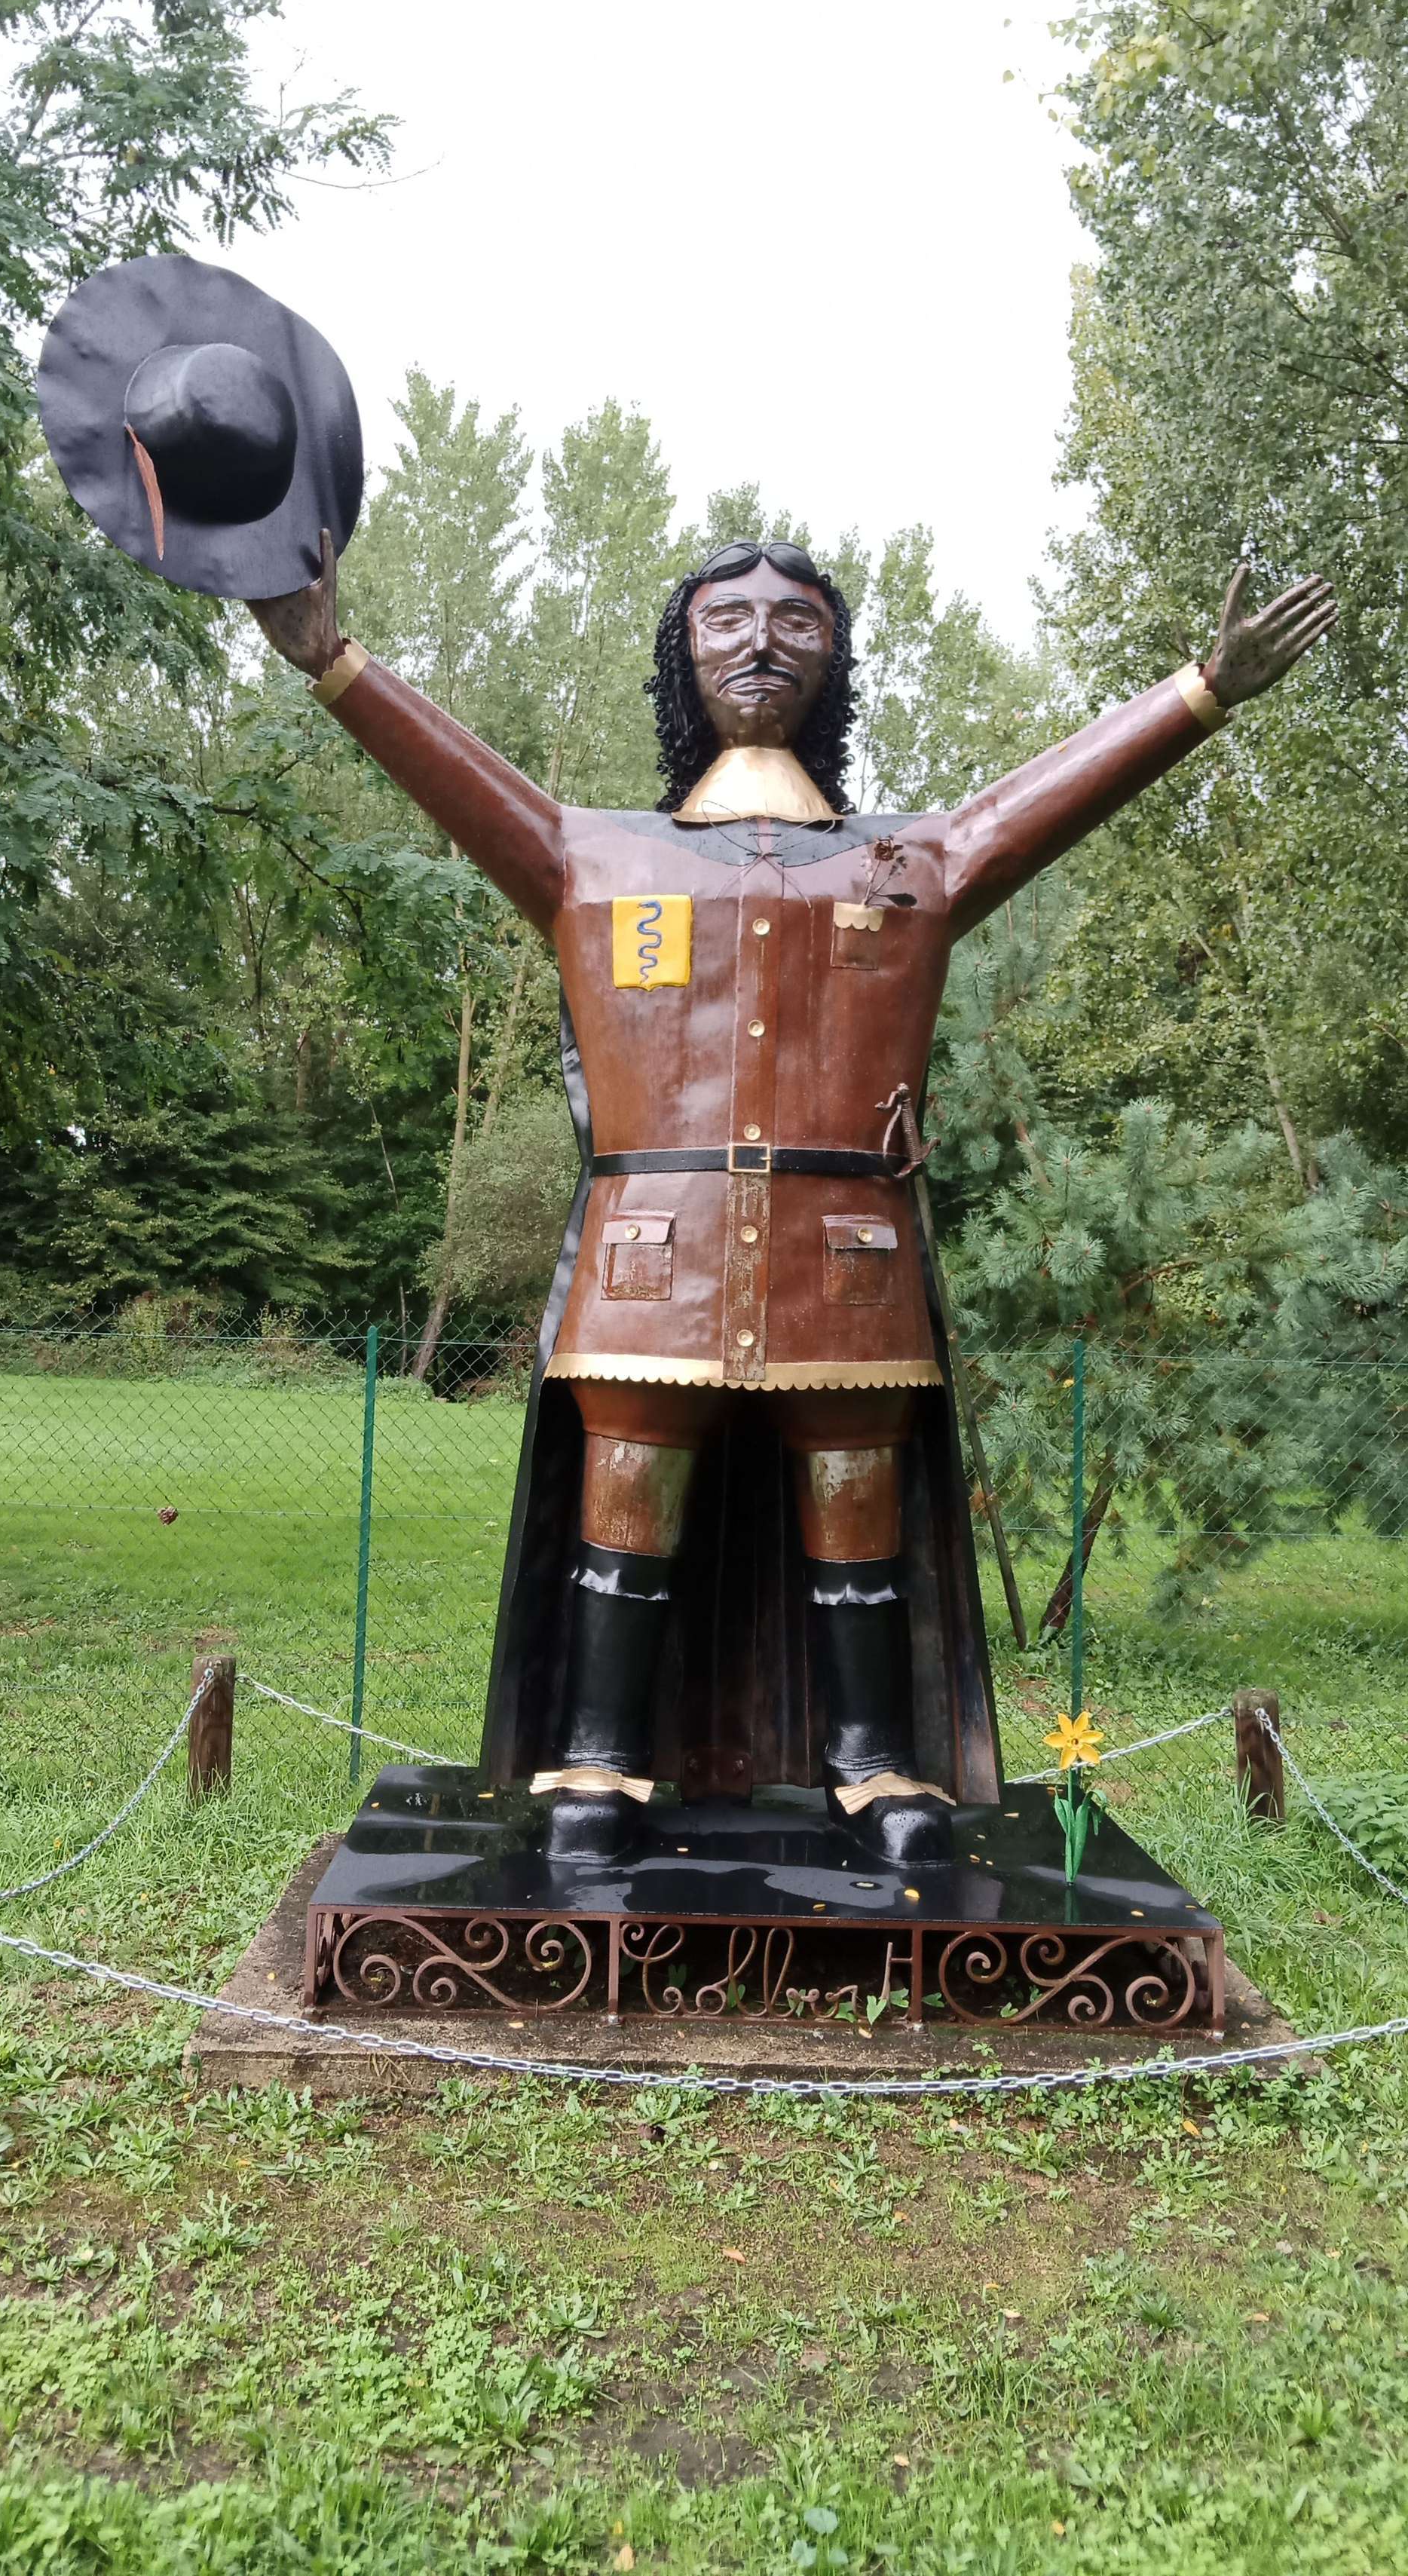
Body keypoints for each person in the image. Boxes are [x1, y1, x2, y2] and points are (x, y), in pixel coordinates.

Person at [253, 535, 1334, 1866]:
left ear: (836, 658)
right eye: (726, 619)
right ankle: (597, 1754)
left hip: (845, 1260)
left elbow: (1042, 801)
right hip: (653, 1257)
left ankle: (873, 1763)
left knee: (856, 1499)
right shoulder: (593, 854)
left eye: (795, 619)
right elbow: (460, 777)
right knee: (626, 1491)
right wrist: (333, 663)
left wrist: (1200, 694)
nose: (760, 639)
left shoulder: (914, 857)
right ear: (682, 654)